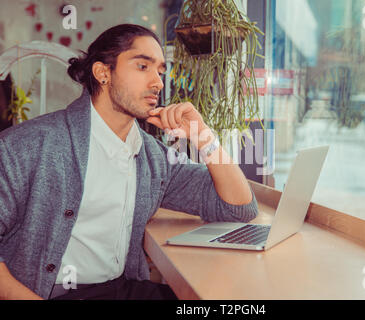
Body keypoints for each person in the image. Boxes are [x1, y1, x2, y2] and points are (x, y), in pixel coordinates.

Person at [0, 24, 259, 300]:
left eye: (160, 71)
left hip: (121, 288)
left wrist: (203, 135)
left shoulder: (152, 157)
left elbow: (239, 208)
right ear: (102, 73)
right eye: (142, 67)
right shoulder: (28, 145)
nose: (158, 82)